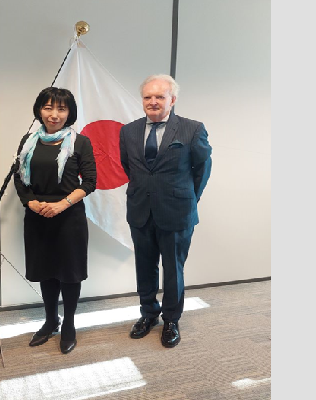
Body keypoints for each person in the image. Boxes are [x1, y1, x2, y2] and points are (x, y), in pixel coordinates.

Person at [119, 74, 212, 348]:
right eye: (148, 97)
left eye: (160, 96)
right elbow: (129, 167)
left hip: (177, 211)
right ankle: (148, 314)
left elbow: (202, 169)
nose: (153, 102)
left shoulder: (192, 129)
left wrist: (188, 199)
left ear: (172, 100)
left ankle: (171, 319)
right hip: (140, 210)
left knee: (173, 269)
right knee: (144, 266)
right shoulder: (128, 131)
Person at [13, 87, 97, 354]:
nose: (54, 114)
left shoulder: (80, 142)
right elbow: (19, 177)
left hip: (69, 216)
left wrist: (62, 204)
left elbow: (90, 182)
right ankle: (51, 320)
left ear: (69, 112)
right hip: (37, 215)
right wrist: (30, 202)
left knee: (69, 274)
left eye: (61, 109)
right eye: (48, 107)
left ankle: (69, 324)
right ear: (39, 110)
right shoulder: (28, 141)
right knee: (46, 271)